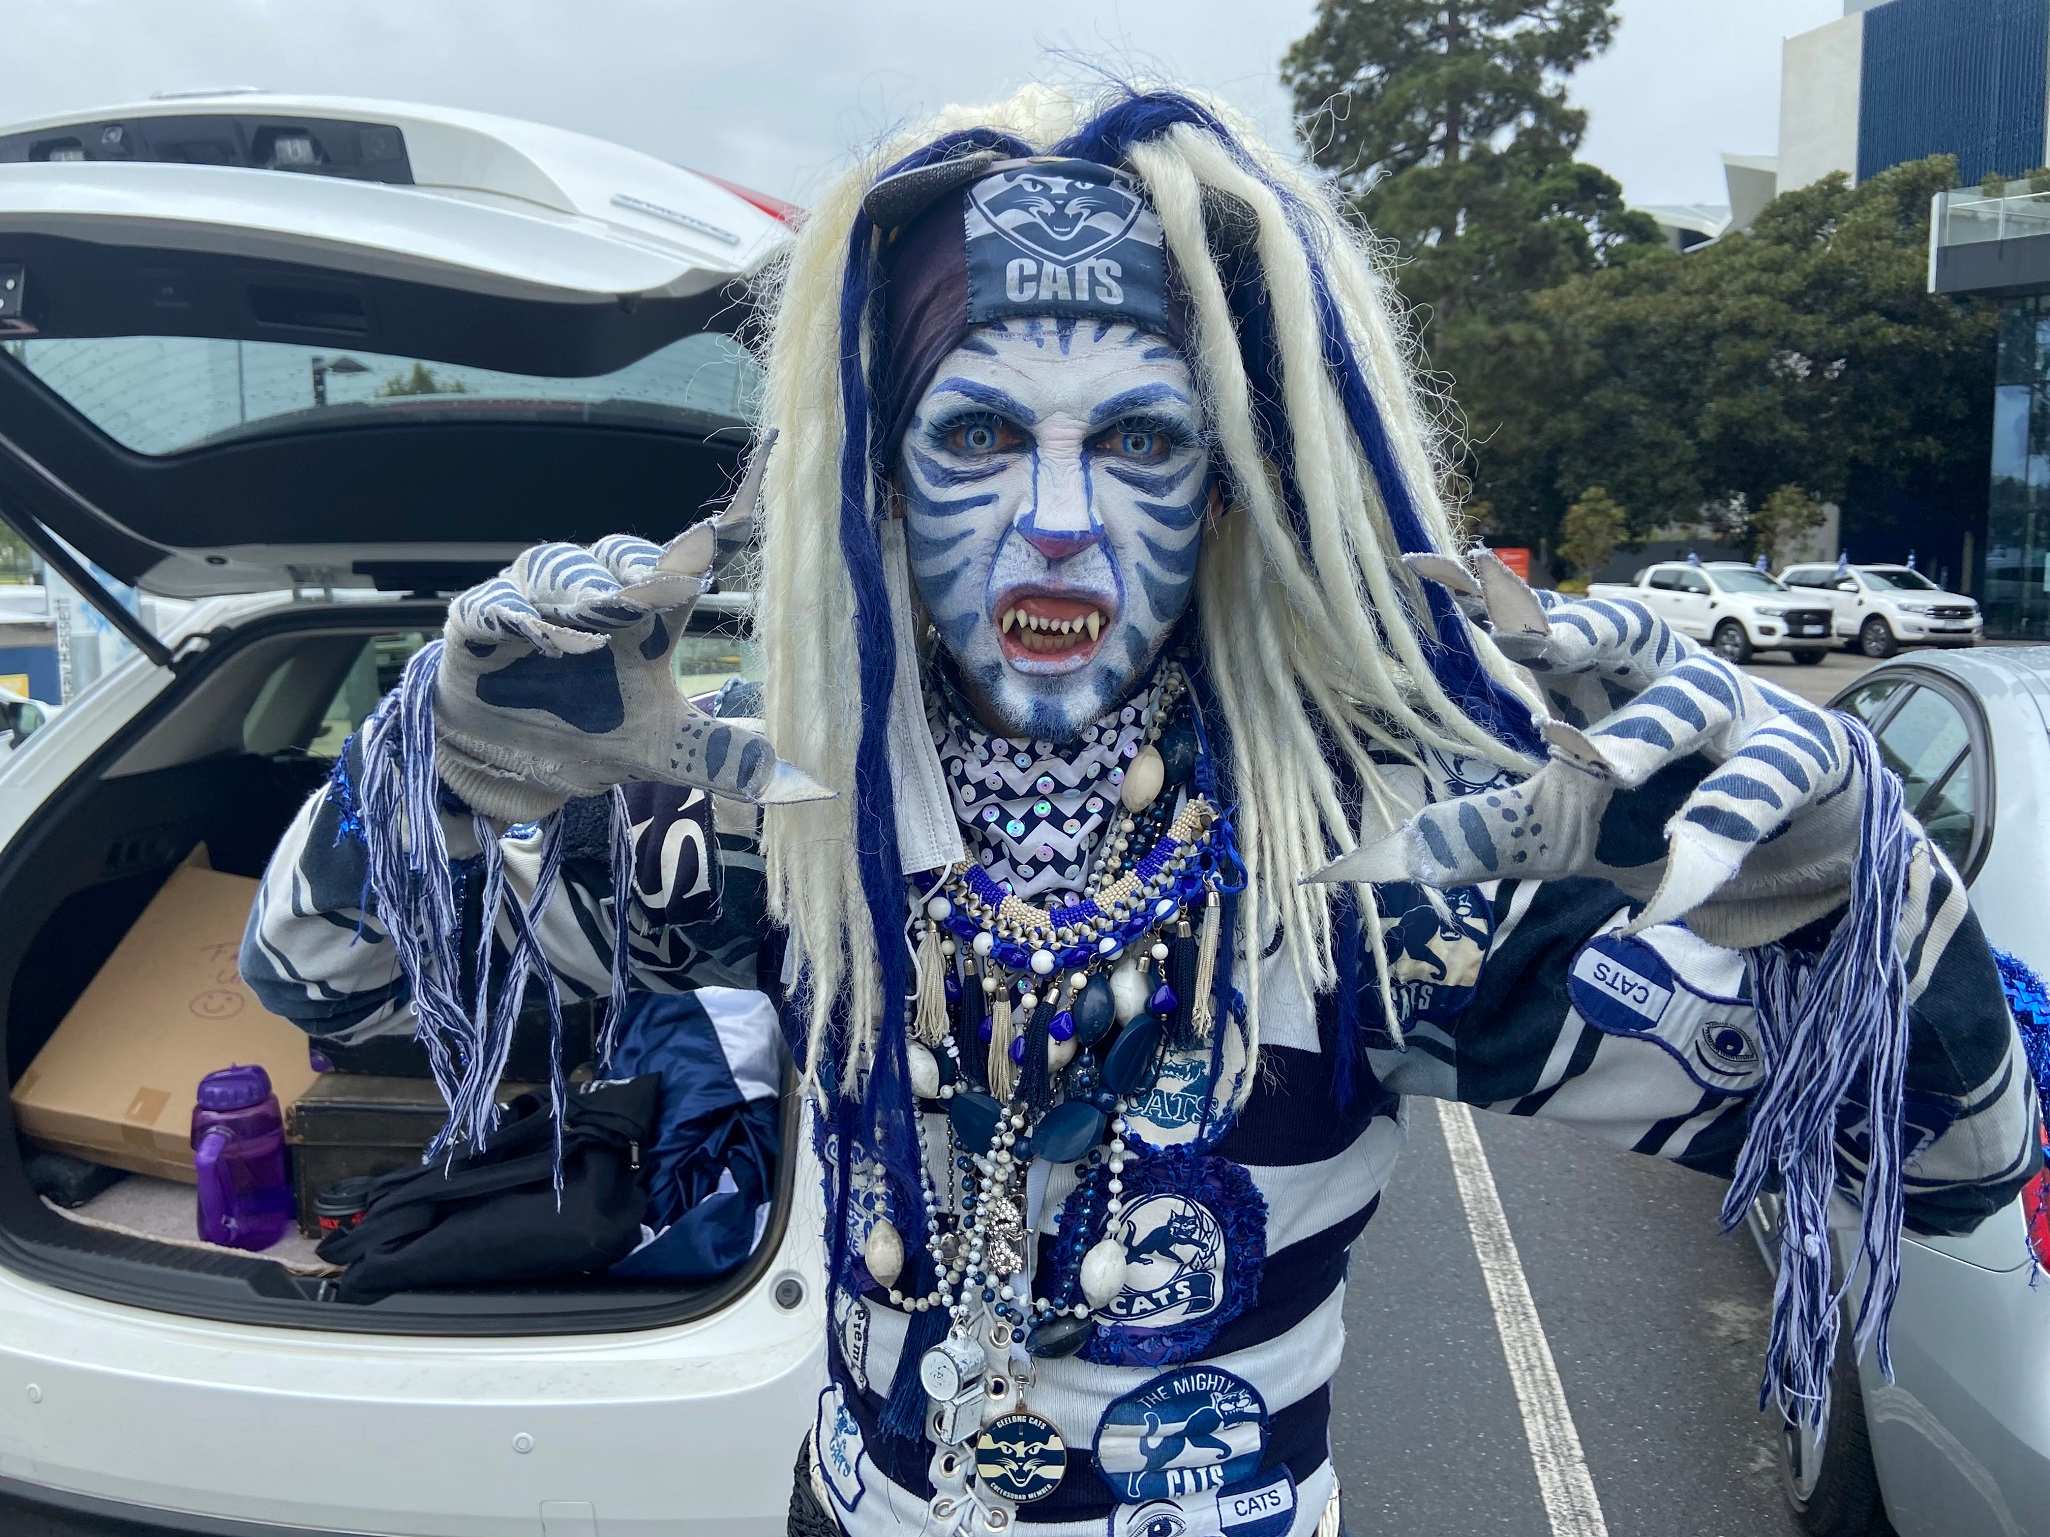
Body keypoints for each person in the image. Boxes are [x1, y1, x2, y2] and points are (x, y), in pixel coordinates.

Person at [242, 84, 2037, 1537]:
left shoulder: (1389, 868)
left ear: (1236, 487)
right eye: (974, 439)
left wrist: (1859, 889)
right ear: (875, 478)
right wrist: (443, 765)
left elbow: (1954, 1167)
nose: (1054, 522)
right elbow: (314, 972)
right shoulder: (766, 818)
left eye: (1140, 443)